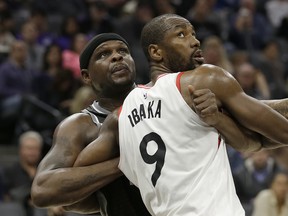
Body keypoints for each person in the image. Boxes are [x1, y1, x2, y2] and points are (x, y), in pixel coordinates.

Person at [73, 14, 288, 216]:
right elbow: (281, 132)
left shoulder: (120, 116)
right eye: (181, 34)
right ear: (156, 53)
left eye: (193, 33)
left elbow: (74, 186)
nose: (195, 41)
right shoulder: (204, 79)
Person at [31, 33, 149, 216]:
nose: (117, 56)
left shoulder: (160, 97)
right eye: (103, 54)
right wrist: (126, 161)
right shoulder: (80, 125)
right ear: (86, 76)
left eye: (123, 51)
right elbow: (43, 190)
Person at [2, 130, 44, 216]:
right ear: (21, 149)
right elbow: (6, 197)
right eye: (29, 148)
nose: (32, 153)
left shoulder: (45, 172)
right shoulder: (9, 172)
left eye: (35, 149)